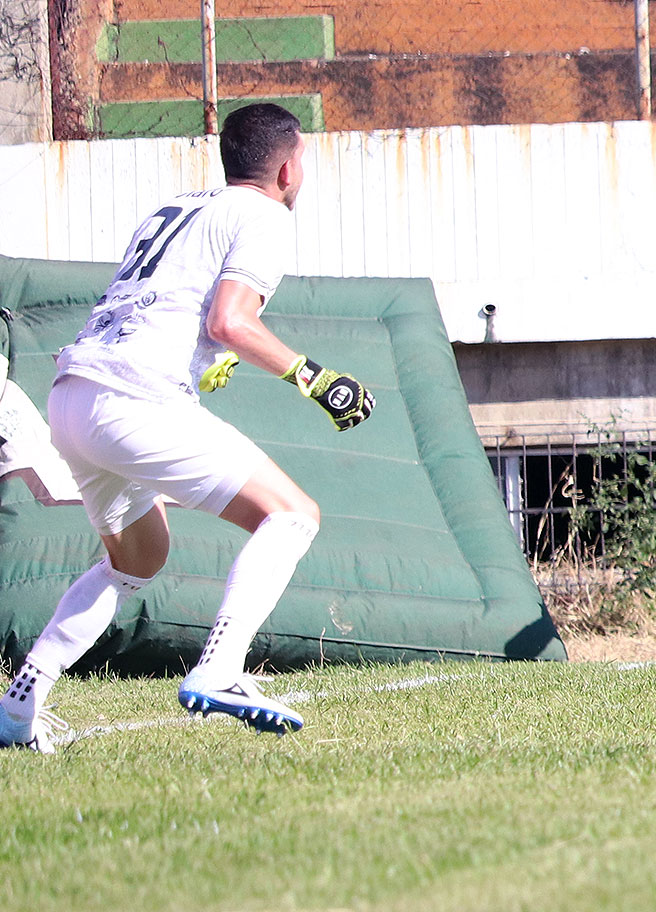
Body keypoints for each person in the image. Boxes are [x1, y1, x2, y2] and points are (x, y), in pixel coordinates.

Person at [0, 103, 376, 753]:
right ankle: (222, 669)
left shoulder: (176, 207)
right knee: (291, 514)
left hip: (74, 396)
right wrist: (317, 380)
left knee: (137, 559)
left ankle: (18, 706)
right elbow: (230, 320)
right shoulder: (263, 215)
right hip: (133, 399)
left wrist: (206, 360)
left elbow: (173, 312)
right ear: (289, 167)